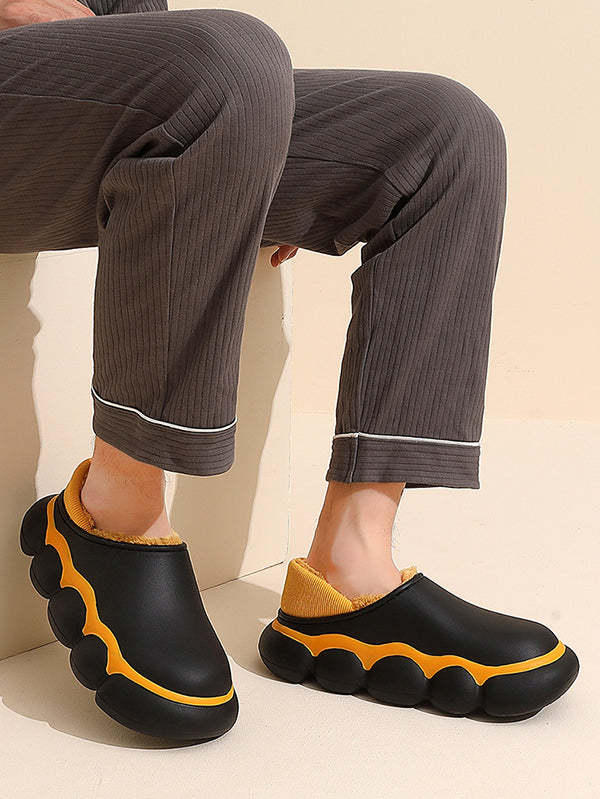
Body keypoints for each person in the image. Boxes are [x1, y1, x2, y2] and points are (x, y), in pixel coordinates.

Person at [4, 0, 578, 742]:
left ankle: (349, 568)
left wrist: (233, 151)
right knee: (227, 59)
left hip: (88, 99)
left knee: (442, 131)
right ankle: (117, 511)